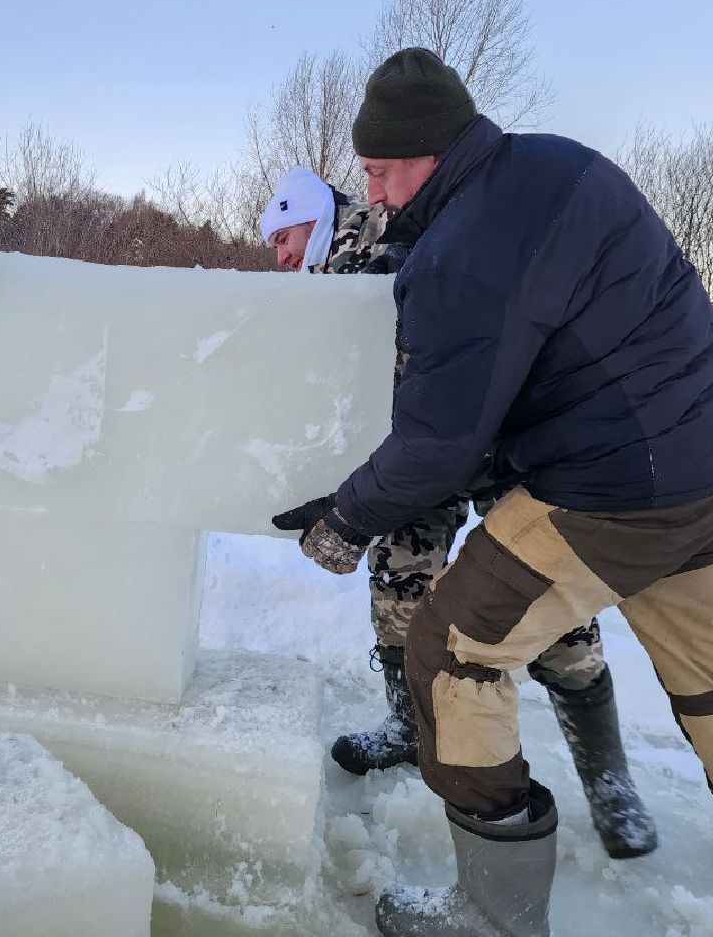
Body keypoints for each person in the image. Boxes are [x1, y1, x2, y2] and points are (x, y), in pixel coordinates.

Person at [272, 51, 713, 937]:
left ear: (433, 150)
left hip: (616, 491)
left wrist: (344, 519)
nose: (375, 192)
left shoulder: (459, 251)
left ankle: (493, 911)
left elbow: (439, 444)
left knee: (450, 647)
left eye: (382, 170)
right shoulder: (564, 163)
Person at [261, 167, 656, 862]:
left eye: (282, 237)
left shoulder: (388, 233)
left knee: (546, 600)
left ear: (312, 216)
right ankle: (408, 726)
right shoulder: (322, 279)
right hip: (418, 457)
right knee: (397, 585)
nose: (279, 255)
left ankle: (608, 779)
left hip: (504, 444)